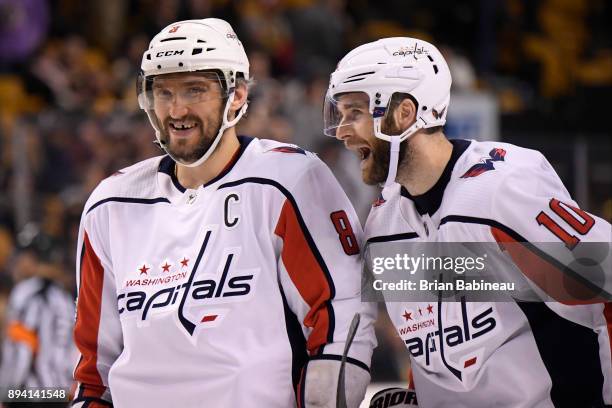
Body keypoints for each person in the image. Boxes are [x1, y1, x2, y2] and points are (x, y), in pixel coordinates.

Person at [71, 18, 376, 408]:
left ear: (236, 95)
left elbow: (342, 315)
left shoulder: (288, 179)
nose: (176, 109)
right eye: (163, 92)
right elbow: (93, 371)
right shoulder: (111, 203)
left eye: (195, 90)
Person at [324, 37, 611, 407]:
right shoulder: (383, 226)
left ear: (404, 114)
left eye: (354, 112)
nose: (343, 131)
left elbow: (603, 284)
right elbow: (432, 343)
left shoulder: (501, 190)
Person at [0, 241, 75, 408]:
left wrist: (6, 393)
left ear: (31, 260)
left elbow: (22, 347)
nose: (16, 265)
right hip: (62, 393)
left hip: (28, 394)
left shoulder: (24, 293)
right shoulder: (65, 298)